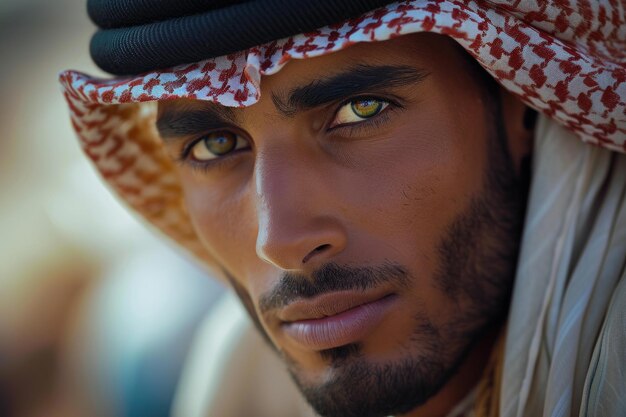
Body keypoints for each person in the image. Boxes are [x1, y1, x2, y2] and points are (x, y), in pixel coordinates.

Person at [60, 1, 626, 416]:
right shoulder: (243, 384)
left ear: (518, 101)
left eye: (361, 110)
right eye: (213, 145)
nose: (279, 240)